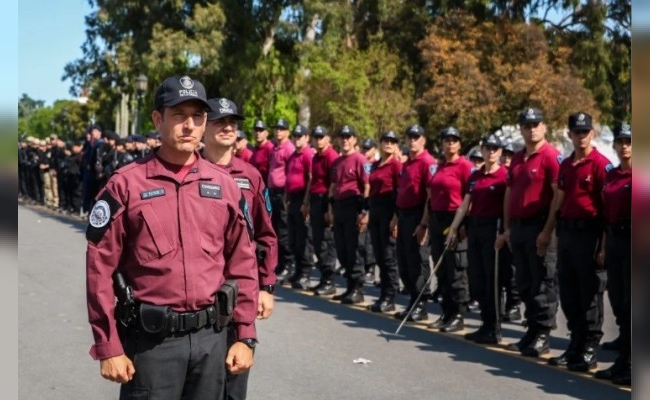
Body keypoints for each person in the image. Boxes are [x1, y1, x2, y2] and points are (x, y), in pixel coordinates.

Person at [85, 75, 259, 400]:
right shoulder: (126, 185)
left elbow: (243, 263)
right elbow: (99, 269)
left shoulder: (224, 185)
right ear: (157, 119)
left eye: (197, 117)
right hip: (152, 346)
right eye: (178, 114)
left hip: (212, 339)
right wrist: (108, 345)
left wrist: (245, 335)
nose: (189, 126)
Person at [202, 97, 279, 400]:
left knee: (235, 380)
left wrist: (267, 286)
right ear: (203, 128)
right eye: (219, 121)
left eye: (232, 122)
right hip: (200, 288)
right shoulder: (189, 173)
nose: (227, 127)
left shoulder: (251, 176)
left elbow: (266, 235)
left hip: (239, 288)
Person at [547, 112, 612, 372]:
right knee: (570, 292)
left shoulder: (601, 164)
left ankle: (589, 348)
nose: (581, 136)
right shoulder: (566, 164)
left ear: (592, 134)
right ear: (570, 134)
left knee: (590, 292)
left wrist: (604, 245)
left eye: (586, 132)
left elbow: (608, 209)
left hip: (590, 235)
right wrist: (548, 231)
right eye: (577, 132)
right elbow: (558, 201)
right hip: (568, 235)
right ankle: (575, 343)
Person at [496, 107, 561, 358]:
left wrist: (547, 231)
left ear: (544, 127)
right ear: (521, 129)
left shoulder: (551, 156)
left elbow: (558, 196)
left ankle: (543, 334)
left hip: (540, 227)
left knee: (543, 283)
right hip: (520, 229)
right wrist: (508, 228)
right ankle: (532, 331)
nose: (531, 128)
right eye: (526, 125)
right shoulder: (518, 158)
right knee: (524, 283)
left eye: (536, 124)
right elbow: (510, 194)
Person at [445, 133, 507, 343]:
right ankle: (485, 323)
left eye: (495, 148)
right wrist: (454, 228)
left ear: (500, 152)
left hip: (493, 227)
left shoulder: (505, 176)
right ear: (481, 150)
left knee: (492, 280)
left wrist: (505, 232)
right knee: (477, 279)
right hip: (476, 227)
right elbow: (465, 204)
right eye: (487, 148)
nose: (490, 152)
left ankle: (495, 328)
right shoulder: (475, 176)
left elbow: (508, 207)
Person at [419, 126, 473, 332]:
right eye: (446, 139)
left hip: (455, 220)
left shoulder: (465, 166)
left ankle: (458, 315)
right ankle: (447, 312)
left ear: (459, 143)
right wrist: (425, 222)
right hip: (437, 219)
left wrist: (462, 225)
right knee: (441, 270)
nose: (449, 143)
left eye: (454, 139)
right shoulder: (438, 167)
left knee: (456, 270)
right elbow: (430, 198)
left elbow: (470, 198)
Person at [594, 123, 631, 385]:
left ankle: (628, 364)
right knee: (617, 299)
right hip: (616, 239)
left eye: (630, 141)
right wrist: (605, 246)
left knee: (634, 305)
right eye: (621, 141)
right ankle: (624, 357)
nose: (625, 146)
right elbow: (607, 216)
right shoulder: (612, 175)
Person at [392, 124, 437, 322]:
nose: (412, 140)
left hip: (418, 216)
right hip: (403, 216)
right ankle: (412, 300)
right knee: (404, 261)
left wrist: (424, 223)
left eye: (417, 136)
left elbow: (430, 196)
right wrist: (395, 217)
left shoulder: (427, 162)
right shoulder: (407, 162)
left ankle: (421, 304)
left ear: (423, 140)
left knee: (418, 261)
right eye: (410, 136)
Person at [328, 125, 370, 304]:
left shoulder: (360, 159)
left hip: (354, 207)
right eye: (342, 136)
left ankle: (357, 289)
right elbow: (333, 186)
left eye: (348, 136)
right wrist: (329, 209)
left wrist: (364, 211)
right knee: (342, 249)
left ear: (354, 140)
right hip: (338, 207)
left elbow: (367, 186)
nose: (345, 139)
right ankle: (349, 287)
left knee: (354, 250)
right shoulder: (337, 162)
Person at [367, 131, 402, 312]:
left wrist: (396, 218)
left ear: (396, 145)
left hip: (388, 210)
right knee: (379, 253)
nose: (388, 144)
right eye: (385, 141)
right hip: (375, 209)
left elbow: (399, 192)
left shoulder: (396, 166)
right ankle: (383, 294)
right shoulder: (375, 165)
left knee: (388, 256)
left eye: (392, 141)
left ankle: (390, 296)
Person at [304, 126, 340, 296]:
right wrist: (307, 202)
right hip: (316, 199)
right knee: (317, 240)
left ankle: (329, 280)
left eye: (321, 137)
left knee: (326, 241)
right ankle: (323, 279)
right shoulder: (316, 157)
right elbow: (313, 181)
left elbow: (332, 183)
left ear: (328, 139)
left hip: (325, 200)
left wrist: (329, 208)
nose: (318, 140)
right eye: (316, 137)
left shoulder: (331, 156)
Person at [284, 124, 315, 289]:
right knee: (294, 239)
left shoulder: (308, 154)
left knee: (304, 239)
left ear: (306, 138)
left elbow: (310, 179)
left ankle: (305, 274)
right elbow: (288, 176)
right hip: (293, 200)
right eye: (295, 136)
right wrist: (286, 196)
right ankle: (297, 271)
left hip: (303, 200)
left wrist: (306, 202)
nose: (297, 139)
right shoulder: (293, 155)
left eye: (300, 136)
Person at [267, 118, 296, 283]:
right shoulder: (274, 148)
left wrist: (286, 194)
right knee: (275, 230)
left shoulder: (289, 149)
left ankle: (288, 263)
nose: (278, 131)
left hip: (282, 193)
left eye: (281, 129)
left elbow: (291, 173)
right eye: (276, 128)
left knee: (285, 231)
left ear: (287, 132)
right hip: (272, 192)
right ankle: (279, 263)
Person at [359, 138, 378, 283]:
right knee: (361, 239)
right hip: (361, 203)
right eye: (364, 148)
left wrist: (366, 208)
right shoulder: (364, 164)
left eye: (368, 149)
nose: (365, 151)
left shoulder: (373, 165)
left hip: (372, 204)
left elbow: (368, 187)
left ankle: (370, 268)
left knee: (369, 240)